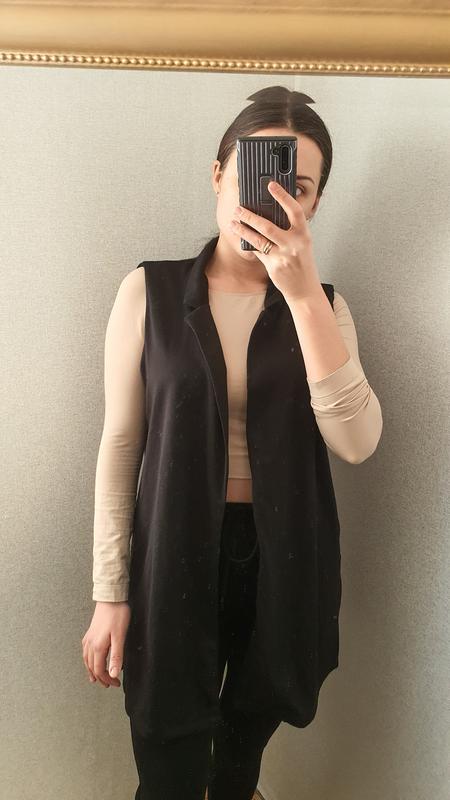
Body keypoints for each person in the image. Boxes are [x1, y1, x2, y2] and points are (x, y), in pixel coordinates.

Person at [81, 85, 383, 800]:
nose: (274, 197)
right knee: (167, 754)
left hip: (283, 557)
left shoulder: (325, 306)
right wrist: (109, 592)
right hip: (172, 548)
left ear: (314, 204)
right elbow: (121, 446)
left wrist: (301, 294)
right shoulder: (149, 294)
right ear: (219, 175)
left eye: (296, 186)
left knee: (242, 755)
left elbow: (357, 441)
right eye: (257, 175)